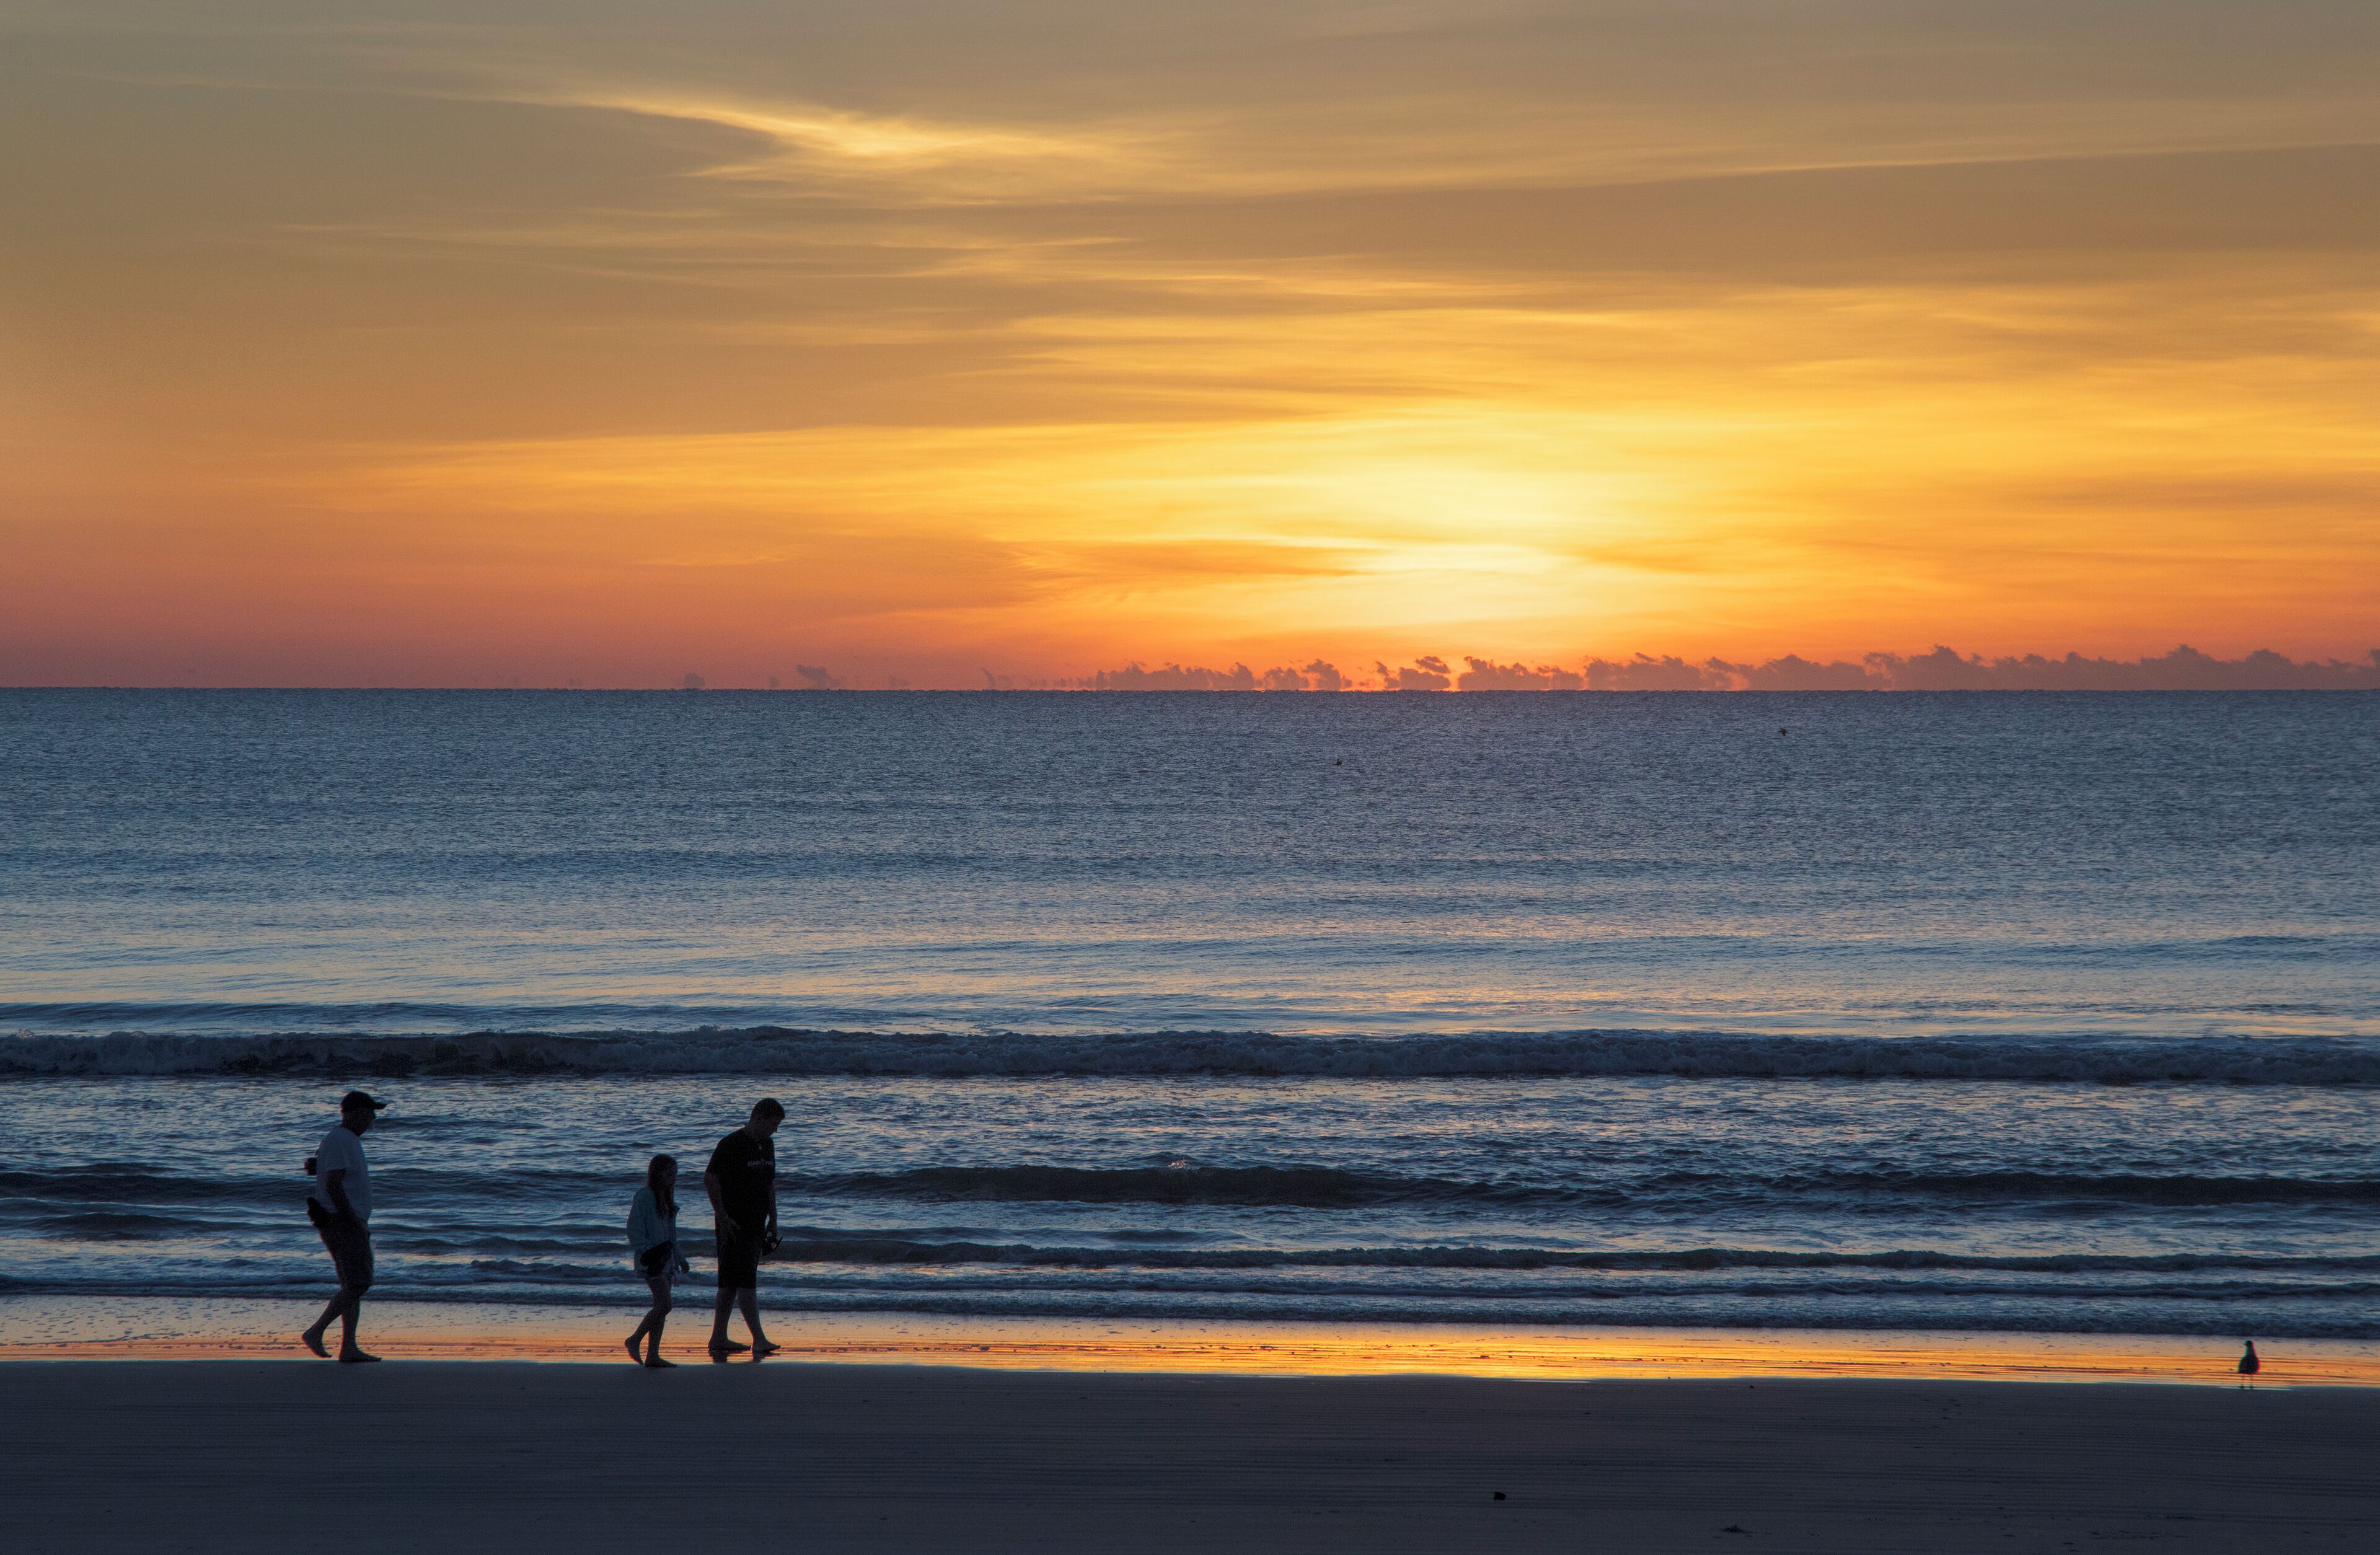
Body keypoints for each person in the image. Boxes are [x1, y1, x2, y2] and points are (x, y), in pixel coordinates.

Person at [301, 1090, 388, 1362]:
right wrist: (352, 1220)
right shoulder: (341, 1139)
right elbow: (334, 1184)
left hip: (343, 1218)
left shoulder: (341, 1140)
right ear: (353, 1113)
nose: (372, 1119)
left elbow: (320, 1169)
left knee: (352, 1284)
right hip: (342, 1220)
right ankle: (316, 1332)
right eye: (369, 1112)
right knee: (360, 1283)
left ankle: (349, 1346)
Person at [705, 1097, 784, 1359]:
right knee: (744, 1280)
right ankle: (759, 1339)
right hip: (733, 1223)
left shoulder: (768, 1145)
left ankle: (718, 1337)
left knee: (730, 1283)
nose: (775, 1130)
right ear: (759, 1117)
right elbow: (711, 1179)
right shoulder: (732, 1144)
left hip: (757, 1222)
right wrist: (722, 1215)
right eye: (773, 1124)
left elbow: (769, 1183)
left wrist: (773, 1218)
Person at [625, 1154, 690, 1368]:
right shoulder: (644, 1196)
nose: (673, 1178)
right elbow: (634, 1228)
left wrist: (679, 1257)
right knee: (665, 1305)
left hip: (666, 1260)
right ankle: (634, 1339)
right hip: (651, 1260)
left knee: (660, 1307)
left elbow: (672, 1235)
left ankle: (653, 1354)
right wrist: (645, 1251)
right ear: (657, 1173)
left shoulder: (667, 1199)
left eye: (675, 1175)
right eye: (669, 1174)